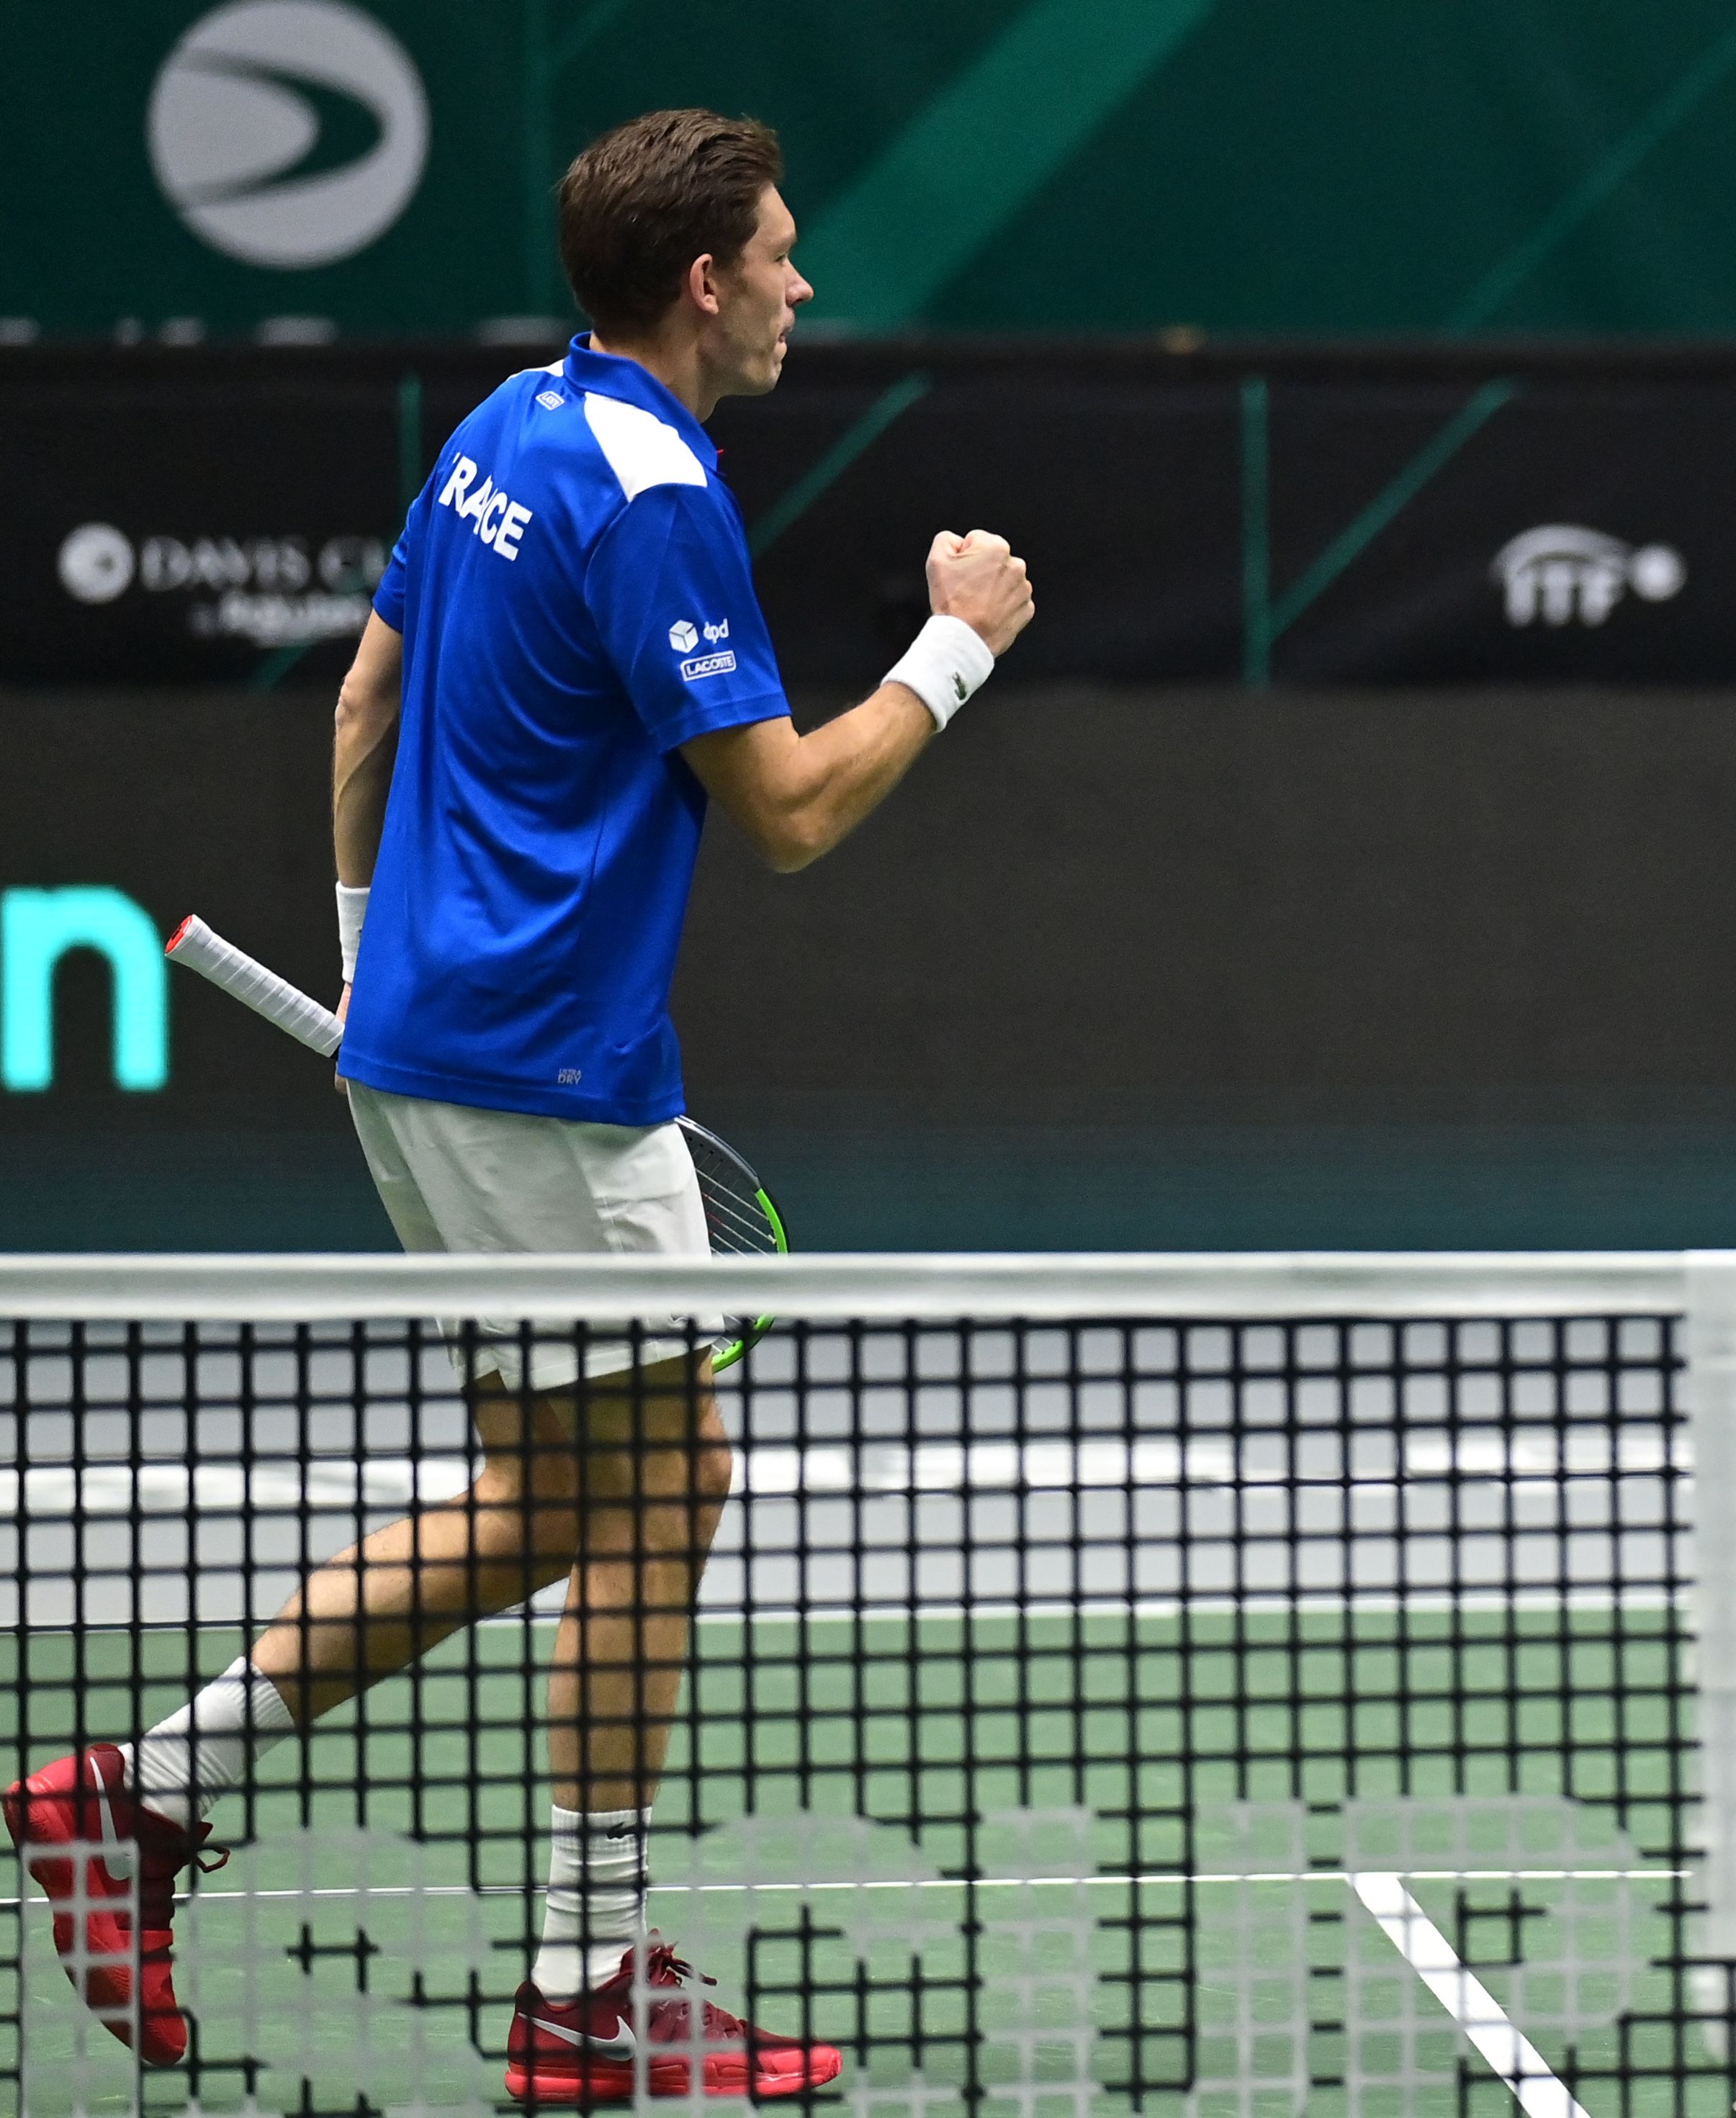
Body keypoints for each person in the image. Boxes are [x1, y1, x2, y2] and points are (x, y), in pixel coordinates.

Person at [4, 108, 1033, 2101]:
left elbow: (360, 702)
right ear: (707, 282)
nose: (807, 285)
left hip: (444, 1048)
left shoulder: (505, 424)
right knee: (668, 1491)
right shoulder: (657, 496)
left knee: (562, 1496)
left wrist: (377, 960)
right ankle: (583, 1989)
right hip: (548, 1077)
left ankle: (132, 1801)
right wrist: (954, 649)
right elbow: (795, 815)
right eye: (786, 255)